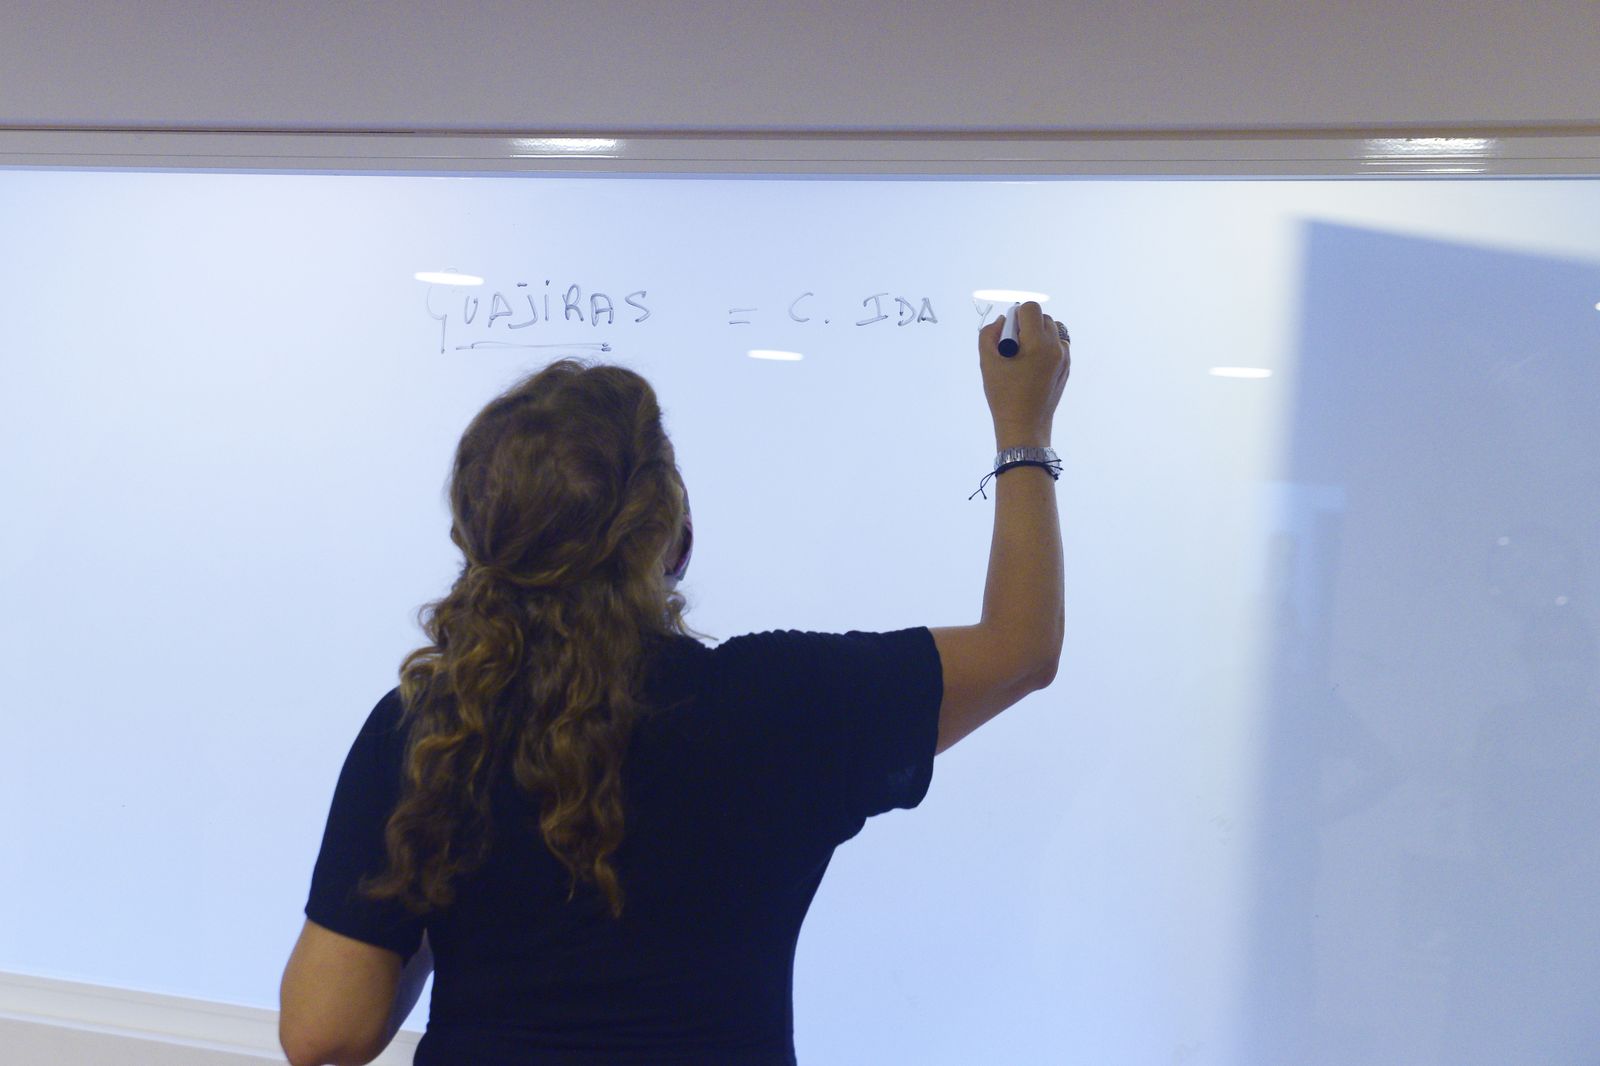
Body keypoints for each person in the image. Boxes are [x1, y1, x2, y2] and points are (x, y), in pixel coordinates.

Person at [278, 303, 1070, 1065]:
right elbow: (1021, 648)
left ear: (479, 538)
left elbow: (324, 1033)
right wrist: (1022, 430)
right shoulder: (786, 703)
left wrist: (431, 872)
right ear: (672, 535)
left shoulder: (430, 731)